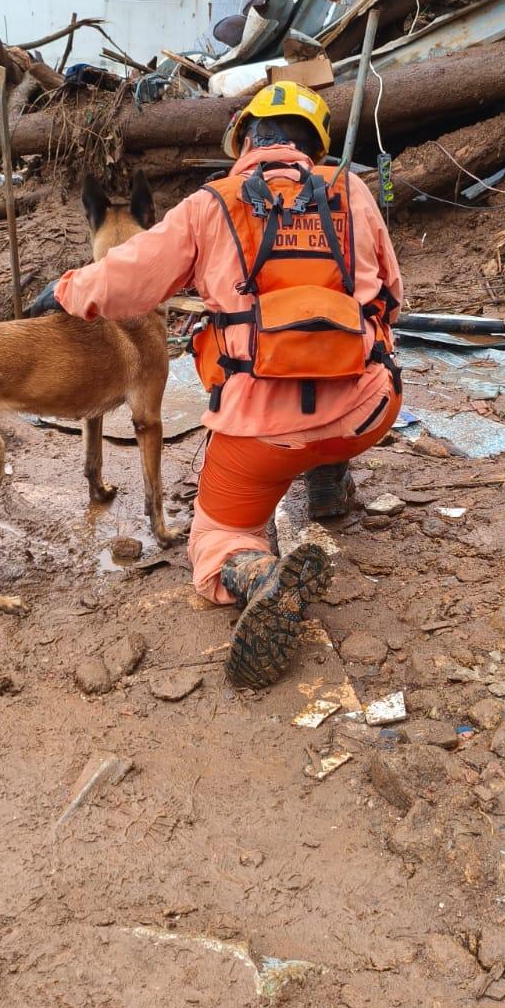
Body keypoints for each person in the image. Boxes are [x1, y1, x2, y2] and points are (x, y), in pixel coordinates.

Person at [47, 81, 403, 689]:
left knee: (221, 532)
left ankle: (253, 573)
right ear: (310, 145)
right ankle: (328, 481)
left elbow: (124, 281)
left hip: (260, 430)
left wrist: (64, 290)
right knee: (331, 413)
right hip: (368, 411)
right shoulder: (355, 192)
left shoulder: (212, 203)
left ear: (249, 138)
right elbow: (390, 297)